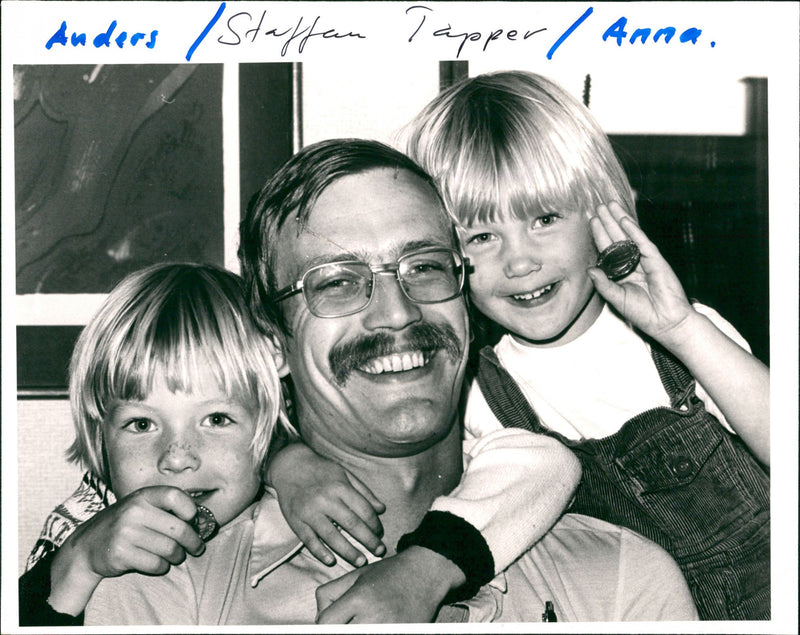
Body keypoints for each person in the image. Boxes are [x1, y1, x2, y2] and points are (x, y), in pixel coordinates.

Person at [82, 139, 697, 624]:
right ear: (274, 343)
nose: (398, 313)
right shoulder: (162, 587)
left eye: (425, 267)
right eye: (336, 282)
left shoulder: (623, 581)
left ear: (469, 304)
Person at [399, 70, 770, 620]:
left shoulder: (684, 341)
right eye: (480, 236)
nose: (520, 261)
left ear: (601, 212)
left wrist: (682, 332)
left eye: (544, 218)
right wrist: (296, 469)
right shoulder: (475, 394)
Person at [18, 263, 295, 625]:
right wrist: (79, 562)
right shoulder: (83, 527)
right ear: (101, 433)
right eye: (142, 423)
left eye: (216, 419)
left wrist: (294, 465)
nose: (177, 459)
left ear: (271, 419)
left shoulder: (297, 500)